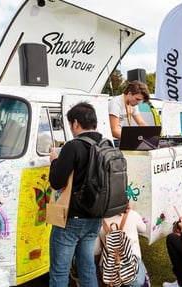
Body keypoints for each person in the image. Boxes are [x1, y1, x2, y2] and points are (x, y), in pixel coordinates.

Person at [48, 102, 103, 287]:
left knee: (59, 271)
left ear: (76, 123)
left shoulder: (73, 146)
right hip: (96, 216)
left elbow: (56, 182)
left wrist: (55, 161)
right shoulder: (106, 144)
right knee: (87, 267)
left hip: (72, 219)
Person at [95, 204, 148, 287]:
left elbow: (96, 250)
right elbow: (143, 229)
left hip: (110, 273)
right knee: (138, 264)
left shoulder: (98, 220)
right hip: (133, 270)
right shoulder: (132, 214)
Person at [108, 80, 150, 146]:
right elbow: (114, 131)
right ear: (129, 94)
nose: (138, 102)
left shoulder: (133, 103)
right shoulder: (115, 104)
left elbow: (141, 123)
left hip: (119, 139)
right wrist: (133, 138)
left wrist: (151, 135)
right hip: (111, 140)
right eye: (138, 99)